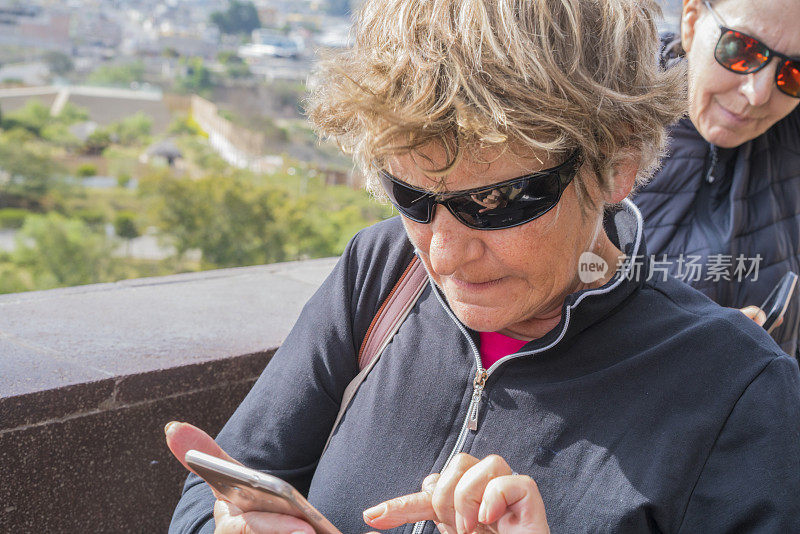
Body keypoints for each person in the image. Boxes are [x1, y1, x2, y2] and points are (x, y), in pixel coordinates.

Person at [168, 0, 800, 532]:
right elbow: (219, 486)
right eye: (410, 195)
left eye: (495, 202)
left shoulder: (738, 390)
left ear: (617, 165)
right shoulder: (383, 270)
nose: (444, 254)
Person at [634, 0, 800, 356]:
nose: (758, 94)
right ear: (691, 22)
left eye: (794, 71)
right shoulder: (603, 112)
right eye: (742, 49)